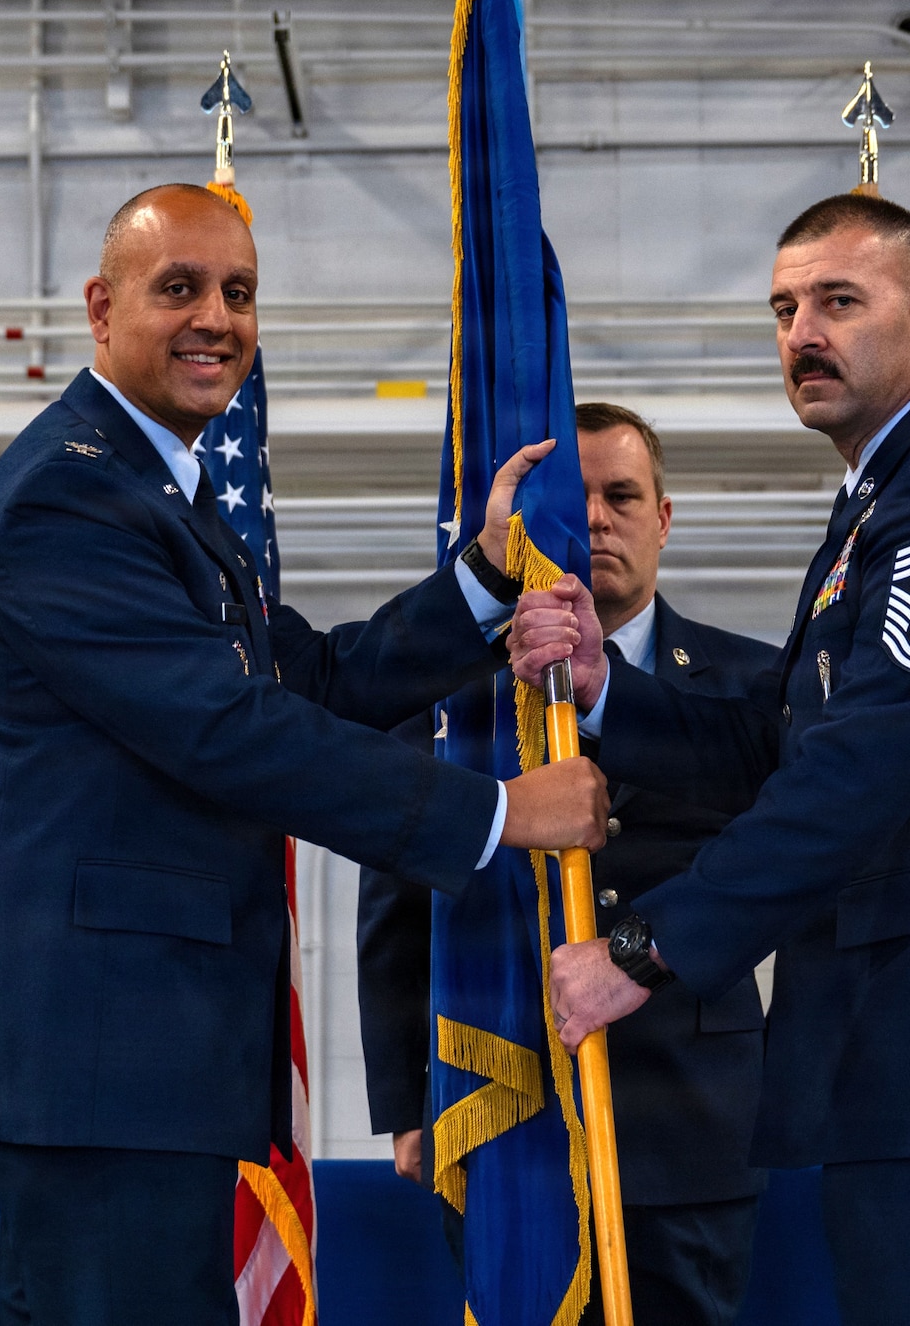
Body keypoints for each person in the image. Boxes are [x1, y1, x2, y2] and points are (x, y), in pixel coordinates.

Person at [0, 183, 607, 1326]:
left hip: (138, 1064)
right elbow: (228, 731)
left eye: (238, 292)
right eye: (178, 287)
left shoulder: (162, 498)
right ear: (101, 310)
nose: (217, 319)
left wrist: (481, 582)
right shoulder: (69, 499)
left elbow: (313, 680)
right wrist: (498, 813)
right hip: (102, 1061)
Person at [511, 194, 910, 1325]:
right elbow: (781, 731)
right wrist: (613, 693)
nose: (803, 331)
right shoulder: (876, 502)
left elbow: (855, 776)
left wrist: (641, 951)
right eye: (785, 307)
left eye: (839, 301)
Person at [357, 403, 780, 1326]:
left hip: (689, 1114)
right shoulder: (450, 703)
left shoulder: (753, 687)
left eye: (621, 496)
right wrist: (405, 1098)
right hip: (502, 1106)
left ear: (663, 517)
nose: (593, 520)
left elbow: (787, 869)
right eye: (571, 498)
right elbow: (395, 896)